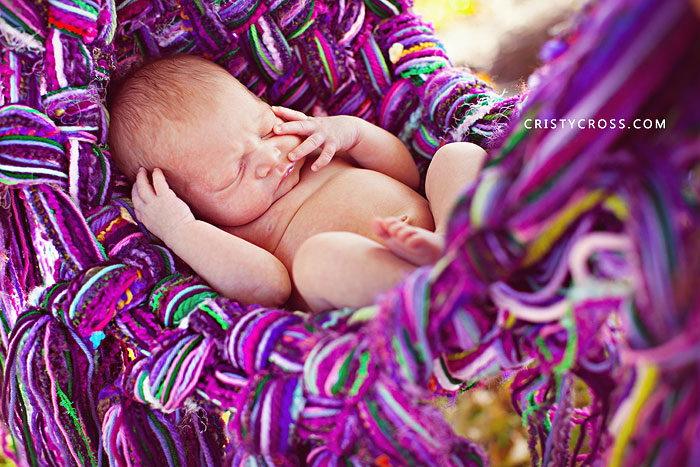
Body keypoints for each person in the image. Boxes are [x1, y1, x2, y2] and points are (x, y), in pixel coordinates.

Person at [108, 54, 486, 312]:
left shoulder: (317, 150)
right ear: (187, 202)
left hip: (436, 229)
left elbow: (405, 174)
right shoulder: (234, 234)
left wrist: (351, 132)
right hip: (383, 297)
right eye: (235, 170)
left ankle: (458, 240)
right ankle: (432, 294)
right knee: (316, 260)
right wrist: (182, 230)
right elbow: (269, 288)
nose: (270, 158)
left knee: (456, 156)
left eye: (266, 130)